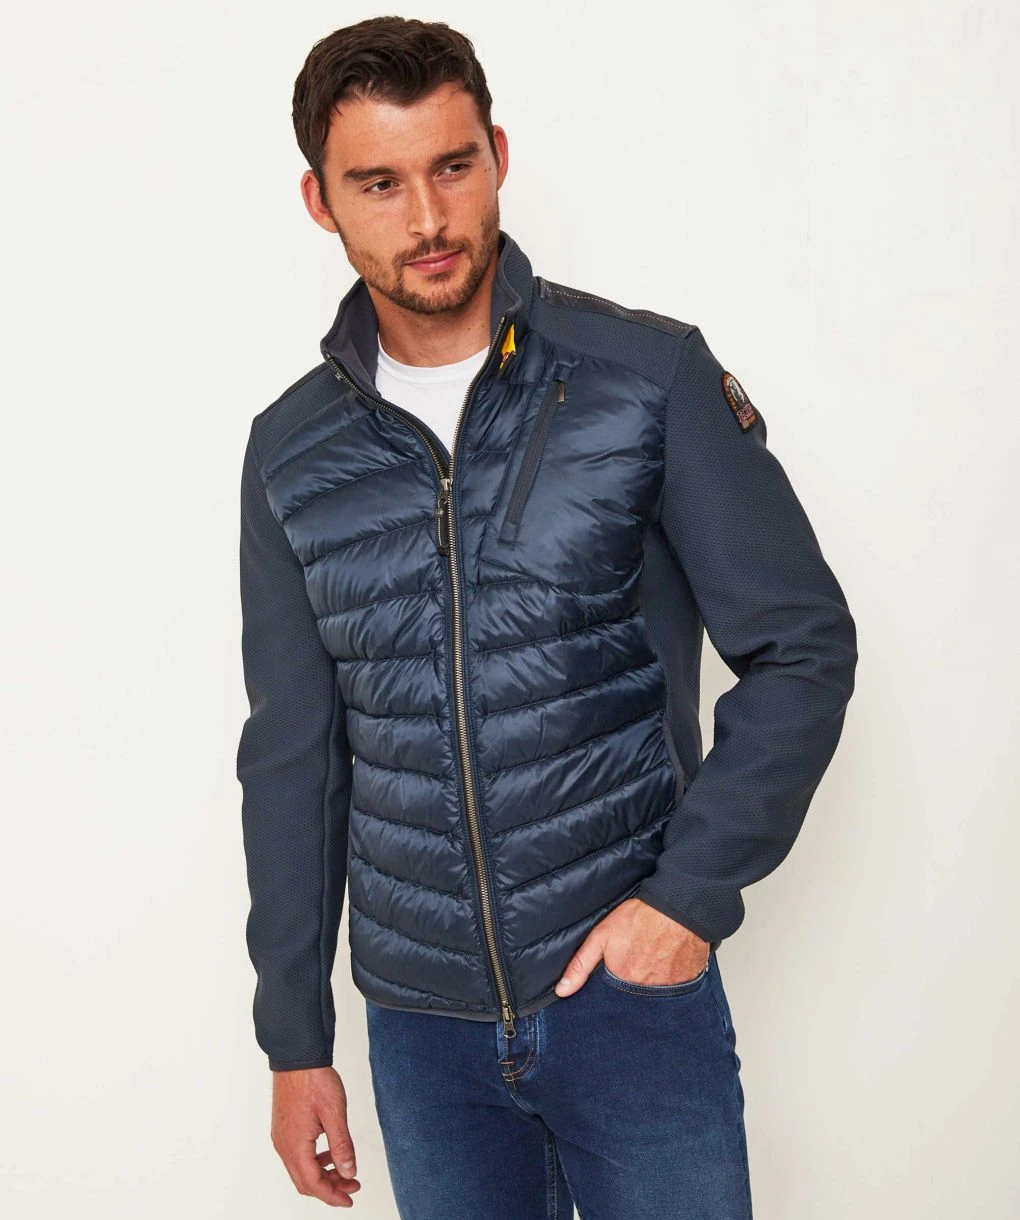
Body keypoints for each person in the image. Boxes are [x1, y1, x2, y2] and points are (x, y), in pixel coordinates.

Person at [235, 16, 858, 1218]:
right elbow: (294, 759)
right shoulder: (292, 454)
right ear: (321, 201)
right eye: (379, 183)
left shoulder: (646, 378)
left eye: (452, 166)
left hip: (628, 1002)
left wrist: (684, 902)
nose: (429, 218)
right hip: (421, 1033)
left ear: (499, 156)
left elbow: (801, 648)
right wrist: (293, 1039)